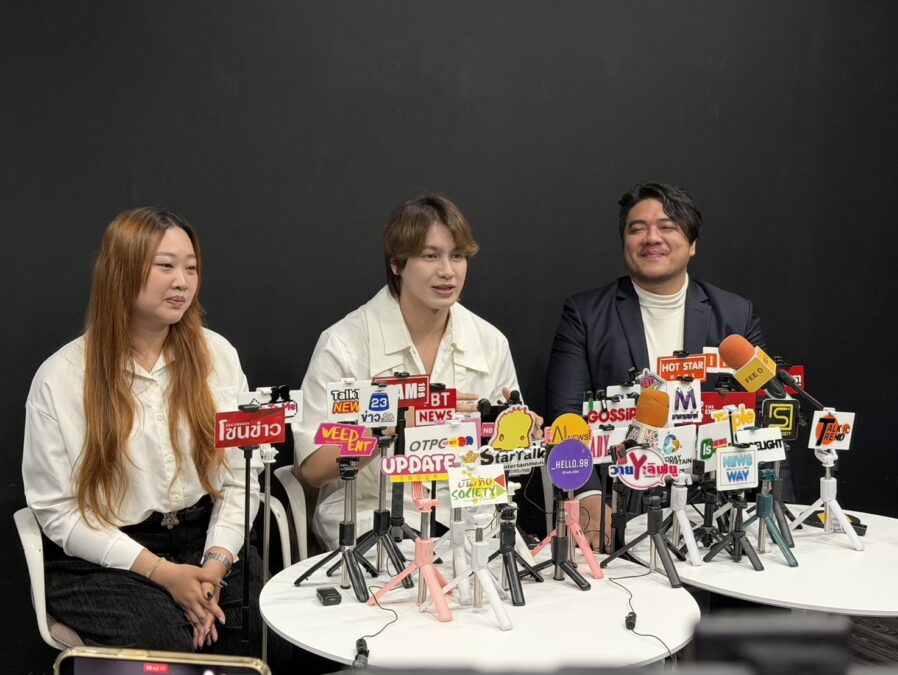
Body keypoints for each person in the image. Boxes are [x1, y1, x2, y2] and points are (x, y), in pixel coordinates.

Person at [22, 208, 263, 653]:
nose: (182, 282)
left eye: (191, 268)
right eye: (165, 266)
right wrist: (162, 572)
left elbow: (239, 478)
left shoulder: (219, 356)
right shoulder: (62, 377)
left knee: (260, 635)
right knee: (162, 646)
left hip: (203, 539)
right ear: (121, 271)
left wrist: (215, 565)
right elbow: (57, 510)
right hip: (106, 556)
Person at [545, 181, 767, 550]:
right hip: (620, 509)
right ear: (624, 242)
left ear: (692, 244)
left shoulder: (734, 315)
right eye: (638, 229)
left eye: (667, 227)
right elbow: (565, 417)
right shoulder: (585, 315)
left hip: (716, 509)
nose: (652, 238)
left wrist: (778, 502)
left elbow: (763, 418)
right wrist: (588, 497)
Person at [293, 194, 523, 549]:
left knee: (513, 574)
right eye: (431, 256)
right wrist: (402, 424)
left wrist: (519, 431)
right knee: (405, 575)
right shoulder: (344, 344)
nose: (447, 271)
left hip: (471, 509)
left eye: (457, 256)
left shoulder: (490, 342)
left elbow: (503, 452)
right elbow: (313, 468)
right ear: (397, 264)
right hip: (371, 511)